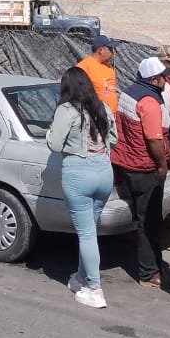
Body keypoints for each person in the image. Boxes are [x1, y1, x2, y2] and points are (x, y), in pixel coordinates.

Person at [47, 66, 117, 309]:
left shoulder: (67, 110)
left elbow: (55, 144)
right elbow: (115, 140)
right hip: (104, 172)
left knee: (86, 233)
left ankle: (95, 289)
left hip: (79, 172)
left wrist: (49, 134)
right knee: (90, 232)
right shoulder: (103, 108)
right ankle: (81, 278)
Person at [111, 56, 170, 289]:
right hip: (144, 168)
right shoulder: (150, 103)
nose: (167, 79)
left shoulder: (128, 93)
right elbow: (154, 139)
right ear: (155, 80)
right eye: (163, 76)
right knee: (149, 222)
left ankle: (151, 264)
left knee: (141, 218)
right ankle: (149, 273)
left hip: (126, 163)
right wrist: (162, 165)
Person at [77, 35, 120, 112]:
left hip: (112, 115)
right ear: (100, 50)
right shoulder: (83, 67)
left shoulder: (108, 67)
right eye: (110, 49)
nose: (113, 52)